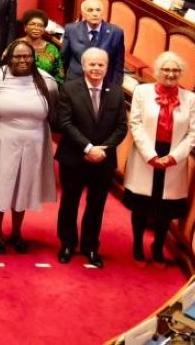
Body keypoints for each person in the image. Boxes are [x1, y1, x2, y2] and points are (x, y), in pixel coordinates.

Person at [0, 40, 58, 254]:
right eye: (17, 56)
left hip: (33, 142)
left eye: (27, 56)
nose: (23, 60)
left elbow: (54, 109)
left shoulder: (47, 81)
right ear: (8, 57)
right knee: (0, 186)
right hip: (0, 142)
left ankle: (17, 232)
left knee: (23, 187)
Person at [124, 51, 195, 264]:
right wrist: (150, 154)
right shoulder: (142, 92)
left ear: (181, 73)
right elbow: (135, 123)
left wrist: (174, 157)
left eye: (175, 70)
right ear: (158, 71)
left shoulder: (189, 98)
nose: (170, 73)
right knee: (142, 203)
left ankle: (158, 246)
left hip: (174, 157)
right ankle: (138, 244)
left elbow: (193, 133)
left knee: (165, 207)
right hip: (146, 154)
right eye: (166, 69)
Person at [56, 47, 127, 269]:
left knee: (96, 205)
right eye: (92, 64)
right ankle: (67, 244)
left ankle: (91, 246)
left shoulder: (116, 91)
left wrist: (102, 149)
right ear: (84, 66)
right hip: (74, 157)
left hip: (103, 160)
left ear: (107, 67)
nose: (96, 68)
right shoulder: (68, 89)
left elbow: (122, 127)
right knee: (70, 202)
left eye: (101, 65)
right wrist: (88, 148)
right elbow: (65, 123)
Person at [60, 0, 125, 86]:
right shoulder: (71, 29)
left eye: (98, 10)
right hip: (75, 83)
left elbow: (118, 66)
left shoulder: (116, 32)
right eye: (90, 10)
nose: (95, 14)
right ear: (83, 13)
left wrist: (115, 88)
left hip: (103, 84)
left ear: (102, 12)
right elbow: (63, 59)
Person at [21, 9, 64, 82]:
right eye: (32, 24)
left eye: (40, 25)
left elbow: (60, 74)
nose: (36, 28)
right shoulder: (15, 46)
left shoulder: (52, 49)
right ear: (25, 26)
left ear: (44, 29)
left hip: (46, 89)